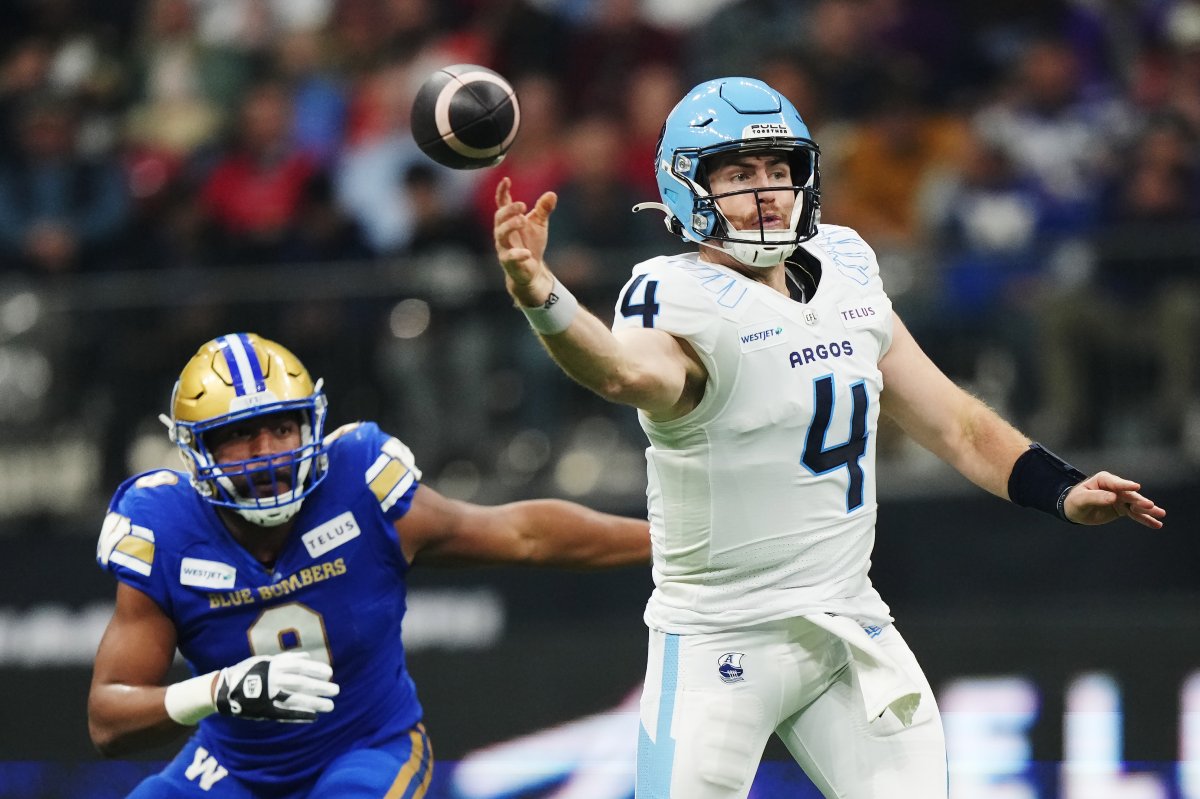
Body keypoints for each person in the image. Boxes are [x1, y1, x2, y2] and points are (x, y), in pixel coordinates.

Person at [492, 77, 1166, 798]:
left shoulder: (845, 267)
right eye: (740, 174)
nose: (767, 191)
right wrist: (544, 297)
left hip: (847, 629)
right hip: (718, 641)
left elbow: (956, 422)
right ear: (687, 188)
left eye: (779, 170)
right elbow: (624, 373)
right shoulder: (677, 295)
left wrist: (1061, 488)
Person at [88, 332, 650, 798]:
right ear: (197, 450)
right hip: (232, 767)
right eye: (238, 435)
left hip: (365, 751)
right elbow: (108, 718)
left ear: (311, 424)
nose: (267, 453)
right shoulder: (166, 526)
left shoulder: (359, 486)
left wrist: (667, 541)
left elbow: (522, 533)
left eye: (282, 426)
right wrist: (218, 691)